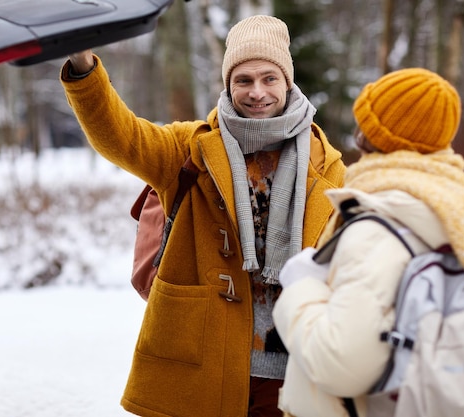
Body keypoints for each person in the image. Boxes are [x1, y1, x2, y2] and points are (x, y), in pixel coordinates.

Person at [61, 15, 345, 417]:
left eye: (269, 79)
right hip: (203, 357)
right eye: (243, 80)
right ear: (228, 84)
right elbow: (119, 135)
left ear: (287, 82)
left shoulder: (325, 163)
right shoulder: (189, 147)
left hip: (291, 367)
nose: (257, 92)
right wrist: (83, 64)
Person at [272, 68, 464, 417]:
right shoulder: (460, 207)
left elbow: (340, 365)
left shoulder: (380, 224)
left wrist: (300, 285)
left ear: (370, 135)